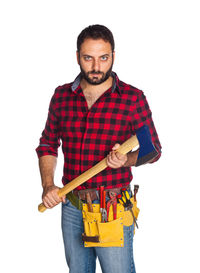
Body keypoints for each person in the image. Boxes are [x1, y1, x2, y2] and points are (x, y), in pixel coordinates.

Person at [36, 24, 162, 273]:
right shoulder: (61, 96)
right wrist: (48, 185)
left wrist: (125, 160)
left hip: (112, 208)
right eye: (88, 58)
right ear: (77, 57)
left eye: (103, 58)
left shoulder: (132, 98)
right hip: (71, 206)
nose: (96, 67)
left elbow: (154, 150)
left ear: (113, 56)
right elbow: (48, 144)